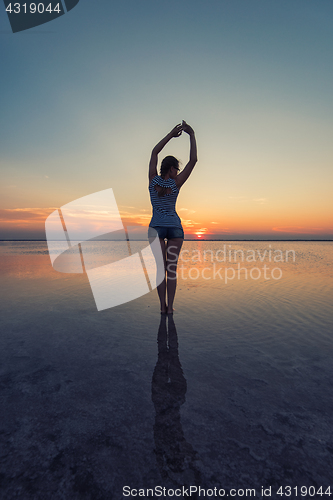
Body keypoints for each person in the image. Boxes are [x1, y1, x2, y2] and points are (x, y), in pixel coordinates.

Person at [148, 121, 198, 314]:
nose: (178, 171)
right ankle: (169, 309)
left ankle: (163, 307)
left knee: (162, 269)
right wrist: (191, 135)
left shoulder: (153, 179)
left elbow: (154, 153)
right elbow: (194, 161)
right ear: (171, 169)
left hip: (157, 228)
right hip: (175, 229)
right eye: (176, 168)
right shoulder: (177, 182)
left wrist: (170, 135)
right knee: (172, 268)